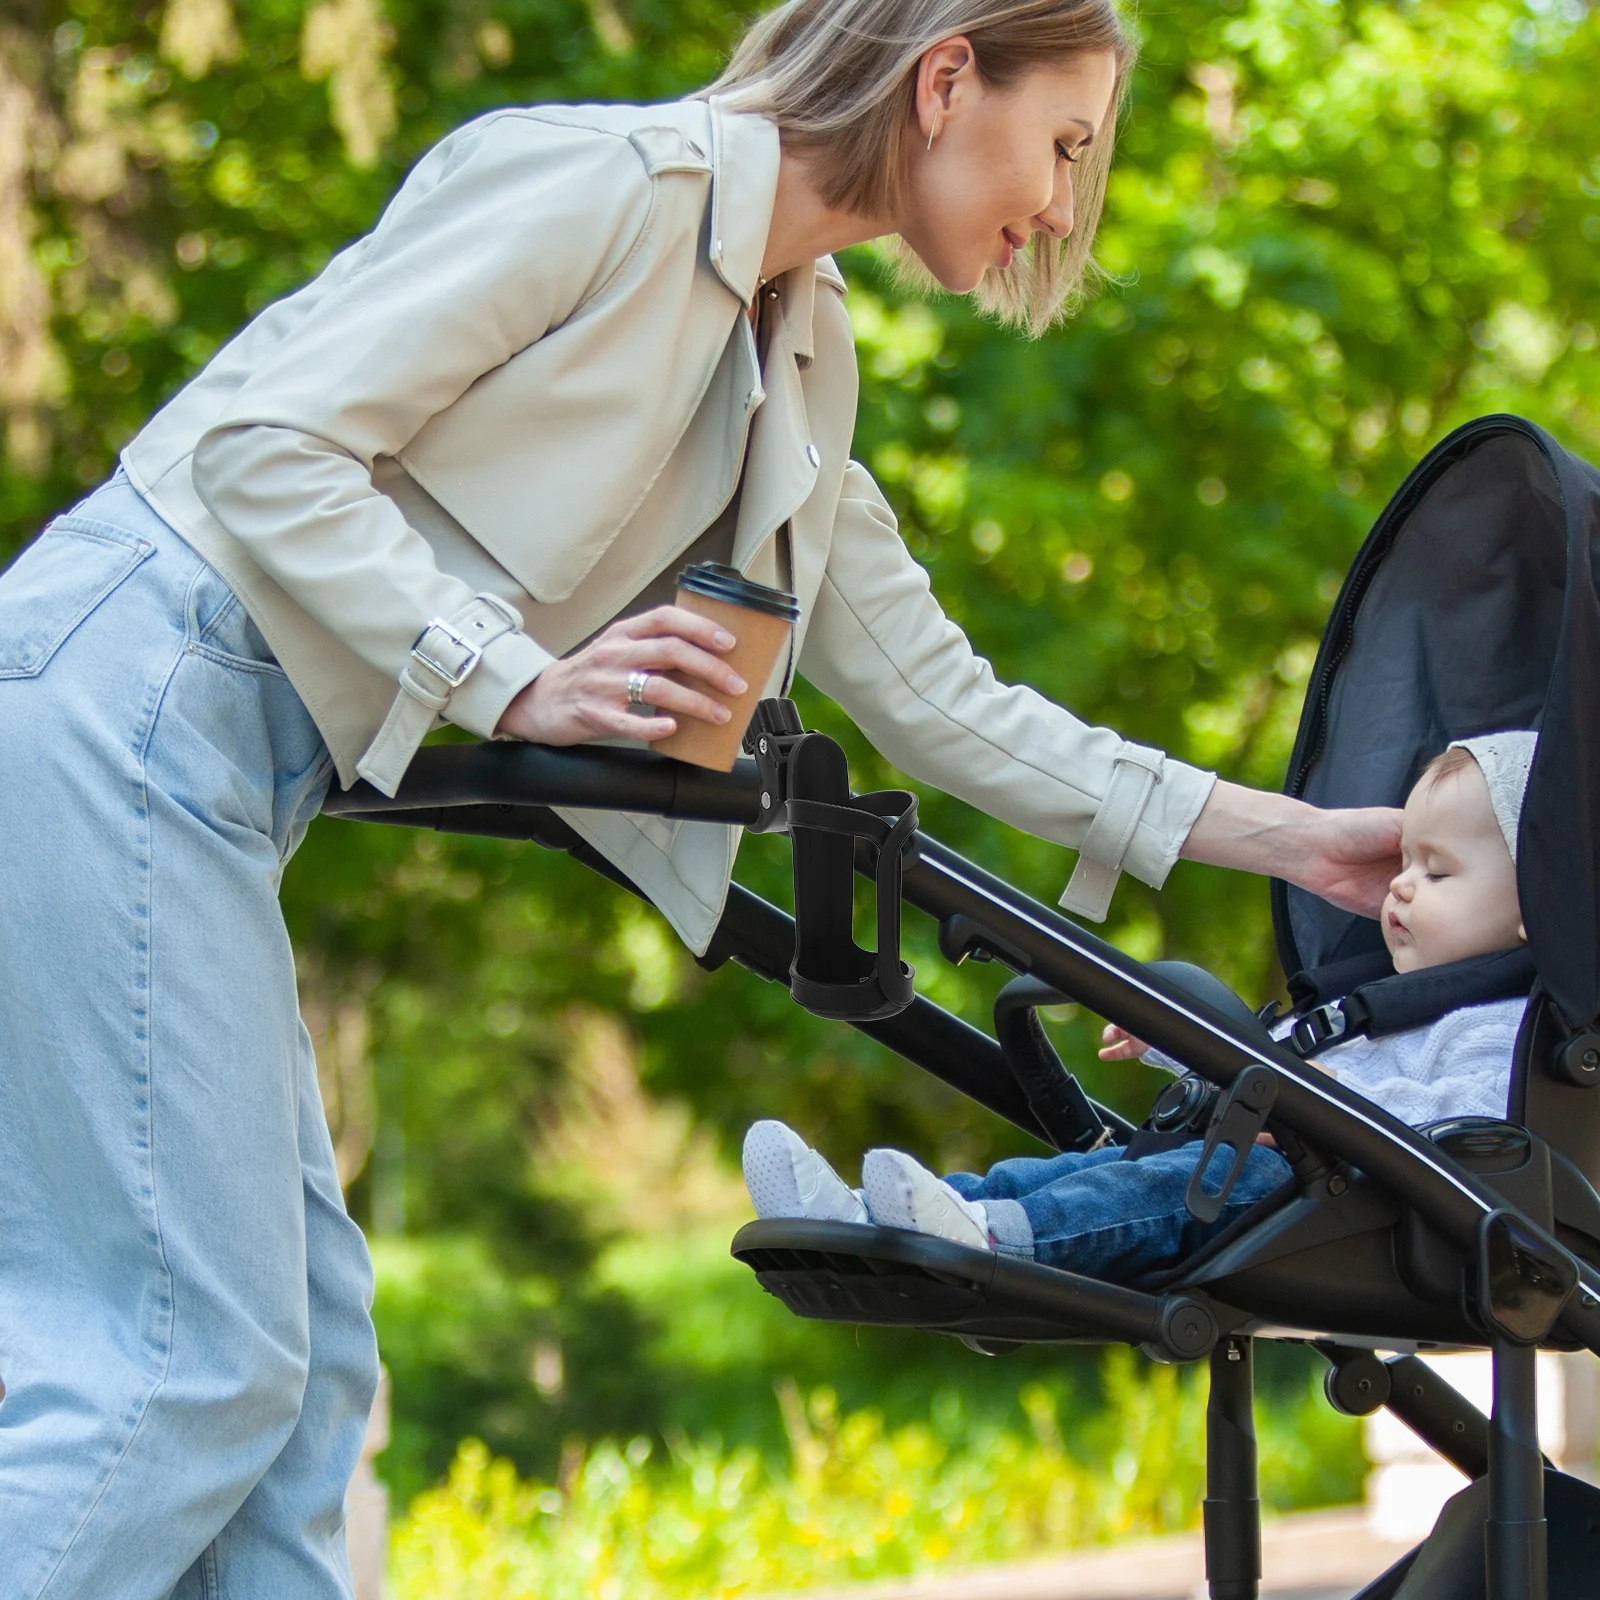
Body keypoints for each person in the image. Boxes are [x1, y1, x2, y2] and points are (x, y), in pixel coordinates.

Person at [0, 2, 1403, 1593]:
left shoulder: (797, 349)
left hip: (209, 767)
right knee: (188, 1368)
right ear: (947, 77)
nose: (1066, 207)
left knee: (304, 1379)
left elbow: (945, 700)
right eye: (1068, 144)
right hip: (126, 687)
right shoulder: (607, 184)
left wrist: (1305, 842)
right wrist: (509, 675)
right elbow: (264, 448)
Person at [743, 732, 1537, 1281]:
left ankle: (987, 1238)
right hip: (1268, 1173)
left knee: (1122, 1195)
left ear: (1535, 909)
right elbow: (1268, 1055)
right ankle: (869, 1225)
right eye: (1402, 861)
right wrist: (1172, 1039)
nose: (1398, 884)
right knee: (1071, 1172)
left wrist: (1310, 1116)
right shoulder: (1374, 1002)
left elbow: (1461, 1131)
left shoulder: (1498, 1030)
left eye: (1435, 873)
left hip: (1334, 1208)